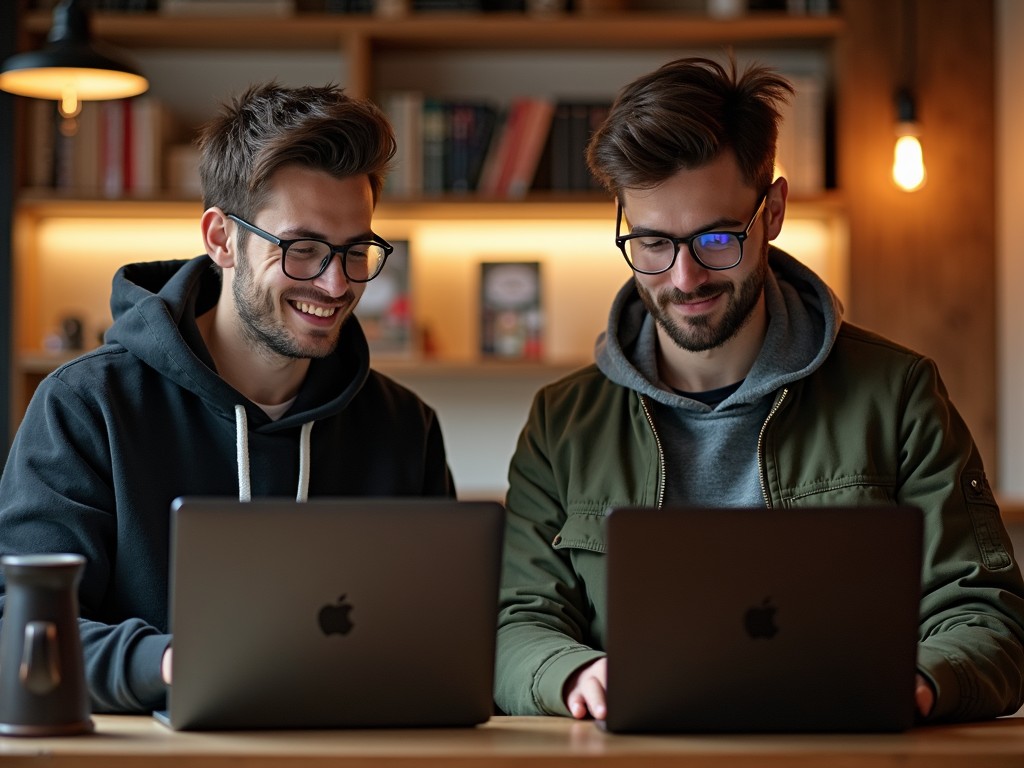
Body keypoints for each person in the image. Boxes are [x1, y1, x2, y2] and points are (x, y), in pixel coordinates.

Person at [494, 57, 1024, 724]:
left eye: (717, 238)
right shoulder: (561, 422)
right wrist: (572, 673)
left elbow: (985, 616)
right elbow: (515, 624)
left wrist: (914, 682)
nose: (684, 278)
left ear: (771, 211)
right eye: (653, 242)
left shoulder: (899, 395)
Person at [0, 83, 455, 714]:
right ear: (221, 239)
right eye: (302, 250)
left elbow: (439, 638)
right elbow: (23, 632)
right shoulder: (86, 407)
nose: (336, 283)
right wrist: (167, 662)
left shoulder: (405, 427)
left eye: (355, 252)